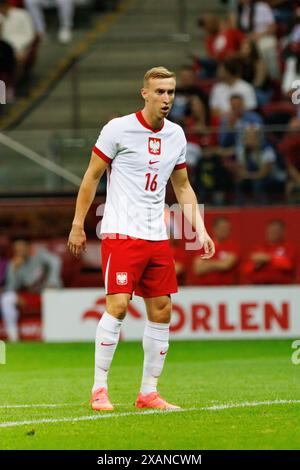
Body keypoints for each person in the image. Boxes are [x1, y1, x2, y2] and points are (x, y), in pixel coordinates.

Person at [68, 66, 215, 411]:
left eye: (171, 92)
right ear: (144, 93)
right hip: (121, 231)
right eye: (160, 91)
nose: (167, 98)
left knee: (162, 310)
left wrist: (201, 229)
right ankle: (99, 389)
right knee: (118, 305)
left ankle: (148, 392)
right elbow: (91, 177)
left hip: (156, 235)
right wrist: (78, 224)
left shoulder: (177, 135)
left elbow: (182, 187)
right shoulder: (118, 129)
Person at [1, 237, 62, 341]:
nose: (19, 251)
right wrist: (14, 271)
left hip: (48, 293)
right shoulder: (14, 263)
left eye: (22, 248)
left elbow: (56, 261)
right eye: (17, 249)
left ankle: (56, 335)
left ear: (28, 248)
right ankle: (14, 338)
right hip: (32, 295)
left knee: (51, 296)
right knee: (7, 299)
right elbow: (12, 287)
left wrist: (52, 282)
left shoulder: (40, 255)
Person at [186, 216, 240, 285]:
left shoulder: (233, 246)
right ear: (214, 229)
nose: (224, 230)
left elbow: (226, 265)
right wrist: (218, 263)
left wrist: (206, 264)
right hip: (206, 288)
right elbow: (198, 268)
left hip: (227, 288)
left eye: (226, 228)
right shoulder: (205, 246)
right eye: (221, 228)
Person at [242, 219, 297, 284]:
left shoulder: (289, 247)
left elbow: (289, 265)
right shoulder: (258, 247)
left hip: (282, 286)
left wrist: (269, 258)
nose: (273, 232)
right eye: (271, 230)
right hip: (258, 286)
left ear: (283, 232)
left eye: (277, 230)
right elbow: (246, 269)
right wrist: (255, 265)